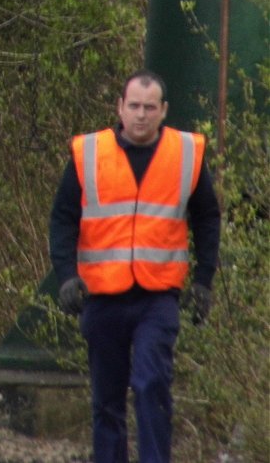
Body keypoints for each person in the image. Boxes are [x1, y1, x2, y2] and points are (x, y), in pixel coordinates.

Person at [49, 69, 221, 463]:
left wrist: (203, 281)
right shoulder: (89, 154)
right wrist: (66, 277)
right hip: (102, 296)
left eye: (149, 107)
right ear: (120, 108)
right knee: (106, 399)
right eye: (134, 106)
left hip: (157, 297)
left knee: (150, 384)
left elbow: (207, 217)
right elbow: (62, 218)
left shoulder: (185, 154)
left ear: (163, 111)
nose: (141, 115)